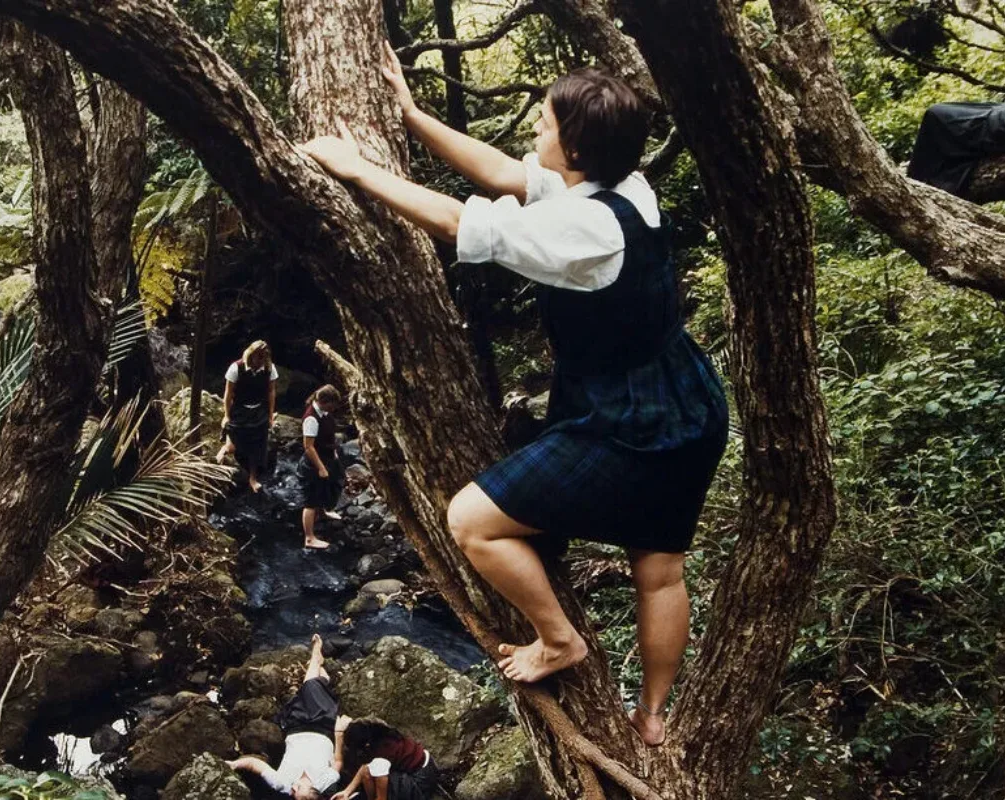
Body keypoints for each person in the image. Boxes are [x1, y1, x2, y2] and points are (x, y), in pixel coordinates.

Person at [299, 49, 730, 747]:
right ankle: (652, 718)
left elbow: (454, 223)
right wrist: (411, 117)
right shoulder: (623, 185)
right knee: (659, 569)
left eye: (546, 122)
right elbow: (504, 173)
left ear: (579, 146)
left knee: (472, 520)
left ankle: (558, 640)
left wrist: (358, 170)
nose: (534, 129)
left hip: (630, 423)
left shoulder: (585, 231)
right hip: (687, 399)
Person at [227, 634, 345, 800]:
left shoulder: (282, 784)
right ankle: (318, 665)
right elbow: (338, 763)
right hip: (323, 727)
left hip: (296, 726)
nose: (293, 788)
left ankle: (317, 662)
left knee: (309, 688)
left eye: (293, 794)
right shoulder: (324, 782)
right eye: (299, 790)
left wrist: (234, 764)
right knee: (310, 687)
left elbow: (255, 765)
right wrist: (339, 734)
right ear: (315, 791)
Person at [218, 340, 280, 492]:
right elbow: (228, 394)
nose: (260, 363)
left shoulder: (269, 368)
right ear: (252, 356)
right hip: (240, 409)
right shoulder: (236, 368)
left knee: (257, 448)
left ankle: (252, 478)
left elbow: (271, 392)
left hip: (259, 411)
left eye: (264, 360)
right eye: (258, 359)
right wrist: (226, 415)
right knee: (233, 447)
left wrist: (271, 416)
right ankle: (226, 447)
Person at [329, 718, 438, 800]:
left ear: (365, 746)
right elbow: (365, 767)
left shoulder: (382, 754)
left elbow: (381, 786)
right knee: (368, 772)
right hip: (414, 767)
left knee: (373, 775)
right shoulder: (375, 734)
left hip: (421, 780)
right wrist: (347, 791)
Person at [300, 384, 346, 550]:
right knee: (310, 499)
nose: (334, 408)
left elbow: (329, 436)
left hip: (327, 456)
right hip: (313, 462)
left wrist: (333, 454)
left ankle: (323, 511)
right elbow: (309, 447)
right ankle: (309, 537)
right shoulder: (311, 418)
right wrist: (321, 467)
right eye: (332, 405)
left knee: (329, 485)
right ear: (324, 402)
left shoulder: (325, 413)